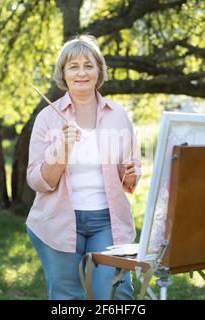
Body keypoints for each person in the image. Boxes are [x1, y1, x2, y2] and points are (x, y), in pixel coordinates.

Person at [26, 34, 141, 300]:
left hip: (107, 222)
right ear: (63, 73)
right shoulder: (47, 117)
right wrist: (61, 152)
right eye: (73, 66)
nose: (81, 73)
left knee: (115, 294)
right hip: (59, 220)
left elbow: (130, 172)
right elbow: (36, 180)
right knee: (68, 297)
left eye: (88, 66)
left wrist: (132, 174)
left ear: (98, 71)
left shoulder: (118, 115)